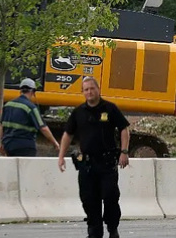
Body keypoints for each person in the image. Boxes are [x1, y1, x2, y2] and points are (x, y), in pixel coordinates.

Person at [57, 77, 130, 238]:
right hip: (87, 166)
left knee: (110, 197)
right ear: (83, 92)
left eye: (92, 88)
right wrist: (61, 156)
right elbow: (68, 134)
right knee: (89, 200)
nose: (89, 92)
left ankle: (112, 228)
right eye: (86, 90)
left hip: (107, 164)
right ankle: (94, 232)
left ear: (98, 89)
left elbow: (124, 128)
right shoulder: (78, 112)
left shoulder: (110, 109)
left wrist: (124, 152)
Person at [0, 78, 60, 157]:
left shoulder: (8, 105)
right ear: (33, 92)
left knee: (14, 169)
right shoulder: (31, 107)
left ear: (20, 91)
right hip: (25, 146)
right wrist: (55, 143)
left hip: (8, 145)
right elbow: (43, 128)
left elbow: (1, 126)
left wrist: (2, 143)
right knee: (27, 169)